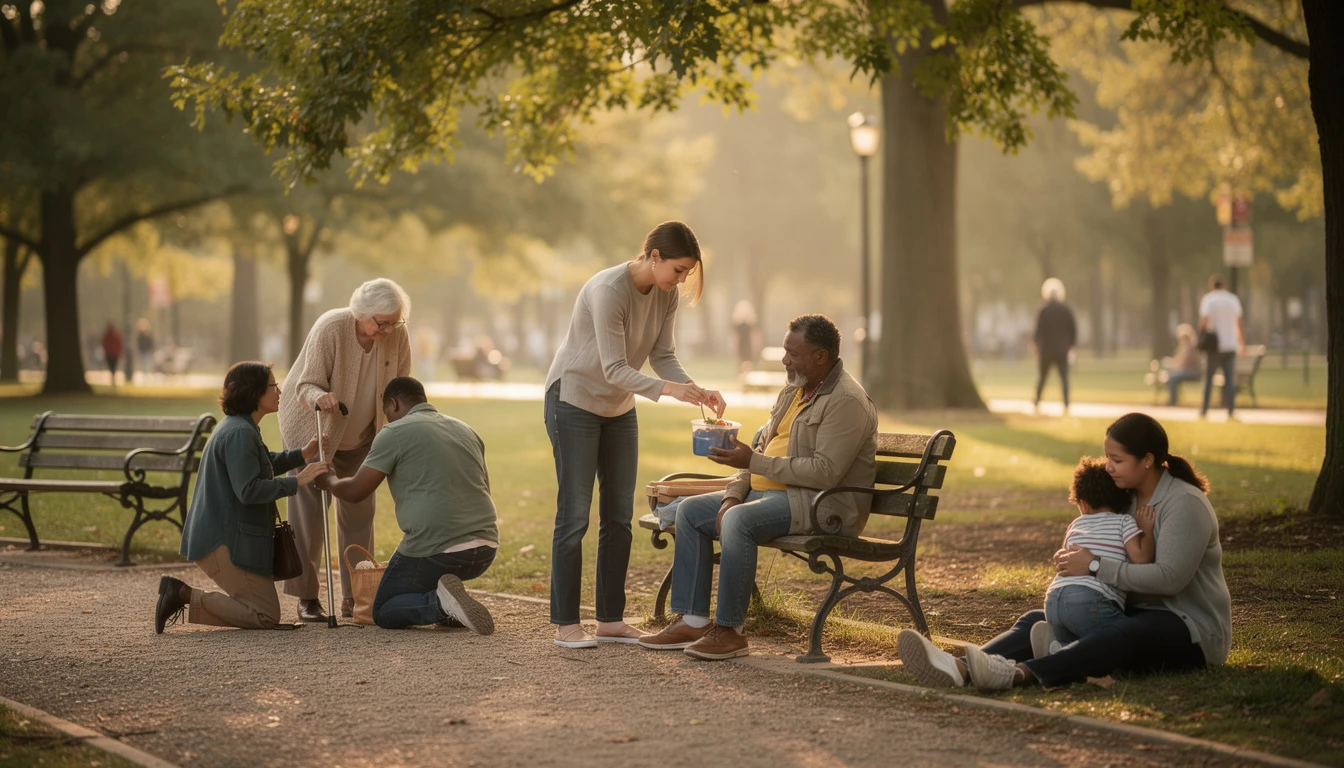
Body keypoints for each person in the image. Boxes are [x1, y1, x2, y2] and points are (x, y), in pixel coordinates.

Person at [897, 412, 1231, 691]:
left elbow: (1169, 580)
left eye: (1117, 460)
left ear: (1147, 461)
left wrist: (1094, 566)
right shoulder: (1124, 498)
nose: (1108, 467)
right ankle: (961, 666)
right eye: (1107, 458)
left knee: (1120, 633)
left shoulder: (1184, 504)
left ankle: (1019, 674)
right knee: (1037, 620)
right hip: (1132, 615)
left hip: (1190, 632)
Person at [639, 314, 878, 660]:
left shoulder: (846, 402)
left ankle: (731, 631)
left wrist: (752, 464)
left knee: (739, 522)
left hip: (819, 504)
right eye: (785, 351)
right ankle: (693, 620)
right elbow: (760, 450)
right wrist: (732, 496)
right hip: (766, 494)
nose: (785, 359)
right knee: (691, 512)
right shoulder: (793, 391)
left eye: (793, 354)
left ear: (821, 356)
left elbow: (825, 472)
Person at [544, 220, 726, 649]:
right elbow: (613, 368)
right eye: (678, 270)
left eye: (687, 274)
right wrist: (670, 390)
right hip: (574, 399)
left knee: (619, 517)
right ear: (654, 256)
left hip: (618, 407)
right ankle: (566, 623)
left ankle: (609, 620)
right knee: (574, 516)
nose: (681, 281)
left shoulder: (666, 297)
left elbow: (663, 356)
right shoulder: (609, 291)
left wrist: (694, 389)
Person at [155, 362, 329, 633]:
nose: (279, 391)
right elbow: (248, 490)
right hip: (221, 543)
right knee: (265, 616)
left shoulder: (241, 427)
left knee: (263, 612)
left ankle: (183, 595)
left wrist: (302, 454)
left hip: (224, 538)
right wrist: (298, 480)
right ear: (254, 392)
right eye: (273, 386)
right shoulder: (239, 433)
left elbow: (260, 463)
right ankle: (181, 594)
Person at [317, 377, 498, 633]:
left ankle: (440, 604)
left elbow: (357, 491)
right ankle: (452, 604)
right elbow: (485, 490)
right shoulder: (466, 430)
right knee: (422, 575)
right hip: (485, 549)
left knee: (383, 609)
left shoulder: (394, 432)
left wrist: (330, 480)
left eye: (387, 413)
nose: (388, 419)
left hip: (436, 551)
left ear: (393, 404)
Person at [279, 278, 412, 622]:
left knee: (359, 511)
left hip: (365, 437)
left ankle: (357, 596)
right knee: (309, 514)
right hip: (315, 434)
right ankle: (307, 597)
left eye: (395, 321)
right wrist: (318, 397)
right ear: (361, 314)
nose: (389, 329)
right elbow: (305, 383)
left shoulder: (396, 333)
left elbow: (402, 385)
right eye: (382, 323)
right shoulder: (331, 327)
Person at [1034, 458, 1155, 657]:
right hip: (1089, 601)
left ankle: (1058, 649)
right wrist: (1147, 530)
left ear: (1083, 504)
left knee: (1081, 646)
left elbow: (1065, 558)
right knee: (1128, 641)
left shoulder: (1076, 525)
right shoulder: (1124, 522)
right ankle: (1062, 651)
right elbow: (1141, 559)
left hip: (1054, 599)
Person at [1198, 274, 1245, 418]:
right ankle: (1230, 409)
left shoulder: (1209, 300)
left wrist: (1200, 336)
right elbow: (1238, 323)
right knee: (1229, 380)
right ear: (1224, 286)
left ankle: (1204, 409)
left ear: (1212, 286)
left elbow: (1204, 322)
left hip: (1214, 345)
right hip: (1230, 344)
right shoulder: (1232, 299)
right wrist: (1242, 342)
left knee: (1209, 378)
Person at [1032, 278, 1077, 413]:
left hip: (1046, 350)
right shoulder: (1066, 309)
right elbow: (1073, 329)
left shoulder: (1043, 309)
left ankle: (1037, 400)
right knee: (1064, 377)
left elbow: (1038, 330)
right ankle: (1066, 402)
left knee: (1042, 377)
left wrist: (1036, 345)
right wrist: (1071, 346)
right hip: (1062, 350)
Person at [1162, 323, 1203, 406]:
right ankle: (1173, 398)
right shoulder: (1183, 348)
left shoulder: (1190, 348)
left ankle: (1172, 401)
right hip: (1187, 371)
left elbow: (1182, 364)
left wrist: (1170, 363)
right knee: (1171, 376)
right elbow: (1178, 361)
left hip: (1194, 372)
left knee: (1172, 378)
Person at [100, 321, 123, 388]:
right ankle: (113, 376)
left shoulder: (112, 335)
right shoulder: (110, 335)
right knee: (112, 366)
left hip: (112, 353)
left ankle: (113, 376)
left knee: (112, 366)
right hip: (111, 353)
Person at [134, 318, 154, 382]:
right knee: (143, 365)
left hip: (147, 351)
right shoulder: (140, 336)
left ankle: (147, 377)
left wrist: (151, 350)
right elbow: (138, 344)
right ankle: (144, 377)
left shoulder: (148, 335)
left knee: (147, 365)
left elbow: (151, 343)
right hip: (142, 351)